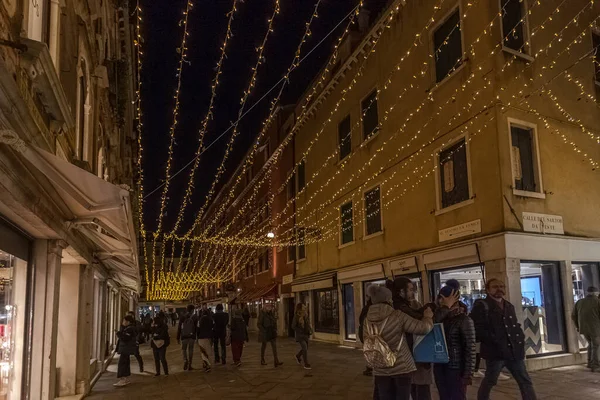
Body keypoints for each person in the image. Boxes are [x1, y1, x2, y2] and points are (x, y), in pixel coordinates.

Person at [471, 278, 537, 400]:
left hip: (513, 351)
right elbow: (477, 328)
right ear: (488, 289)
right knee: (490, 380)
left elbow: (514, 325)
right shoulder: (482, 306)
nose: (499, 289)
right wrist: (493, 339)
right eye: (495, 287)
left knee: (525, 380)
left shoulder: (508, 306)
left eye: (502, 286)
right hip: (495, 352)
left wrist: (520, 338)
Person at [364, 284, 433, 400]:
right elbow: (423, 328)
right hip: (401, 367)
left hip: (380, 368)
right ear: (388, 299)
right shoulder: (397, 315)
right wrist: (428, 317)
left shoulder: (367, 320)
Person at [391, 277, 443, 400]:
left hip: (407, 354)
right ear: (400, 291)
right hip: (411, 353)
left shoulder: (402, 305)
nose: (412, 292)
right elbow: (420, 324)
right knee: (419, 389)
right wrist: (431, 314)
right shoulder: (399, 307)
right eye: (409, 289)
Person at [433, 286, 476, 400]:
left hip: (456, 367)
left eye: (442, 298)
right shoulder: (441, 316)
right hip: (440, 365)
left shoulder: (464, 319)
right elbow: (432, 323)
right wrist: (446, 307)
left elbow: (470, 348)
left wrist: (468, 374)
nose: (440, 301)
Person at [572, 286, 600, 371]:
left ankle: (589, 363)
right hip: (595, 328)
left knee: (590, 344)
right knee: (596, 346)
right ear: (596, 293)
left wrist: (578, 326)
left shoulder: (579, 302)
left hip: (583, 329)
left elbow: (573, 315)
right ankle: (595, 365)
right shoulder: (597, 302)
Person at [114, 315, 137, 387]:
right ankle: (125, 379)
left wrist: (118, 333)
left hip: (125, 349)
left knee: (122, 364)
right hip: (126, 349)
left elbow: (125, 338)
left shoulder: (130, 329)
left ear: (128, 322)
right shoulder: (129, 328)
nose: (122, 322)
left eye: (124, 321)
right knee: (125, 363)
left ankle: (122, 379)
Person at [177, 304, 198, 371]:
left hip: (184, 336)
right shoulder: (195, 317)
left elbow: (179, 328)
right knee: (191, 350)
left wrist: (178, 337)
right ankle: (190, 365)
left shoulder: (182, 317)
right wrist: (196, 336)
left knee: (184, 349)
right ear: (192, 310)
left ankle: (185, 360)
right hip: (192, 336)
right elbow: (196, 328)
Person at [292, 303, 313, 370]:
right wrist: (300, 330)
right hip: (300, 335)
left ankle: (298, 356)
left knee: (306, 348)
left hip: (306, 334)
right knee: (304, 347)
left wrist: (310, 330)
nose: (305, 306)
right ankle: (306, 364)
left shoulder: (306, 315)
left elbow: (308, 324)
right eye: (303, 306)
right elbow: (293, 326)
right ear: (300, 308)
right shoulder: (296, 316)